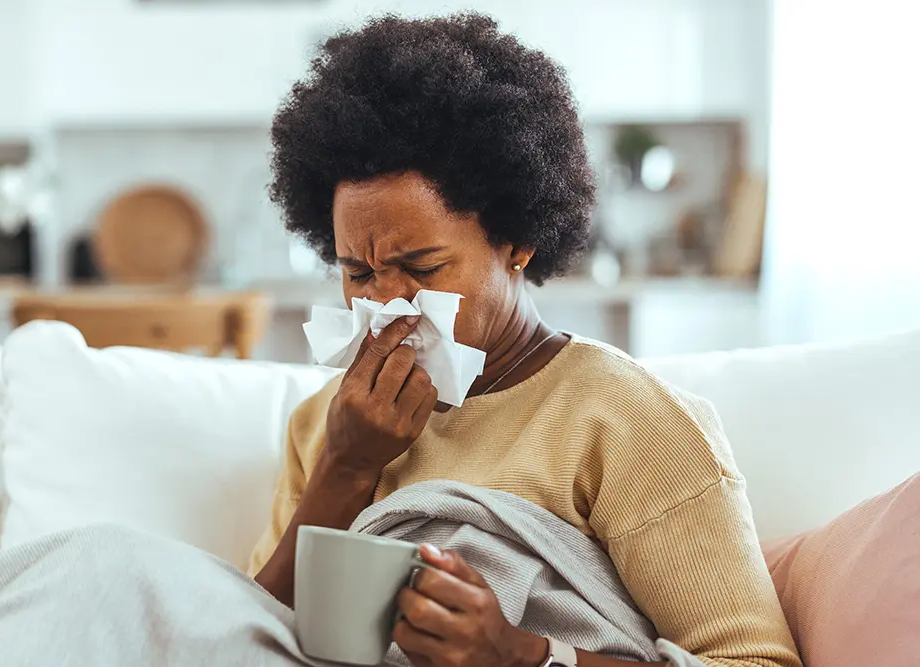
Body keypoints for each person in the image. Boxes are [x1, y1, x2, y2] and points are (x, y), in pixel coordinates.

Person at [249, 12, 801, 667]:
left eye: (423, 267)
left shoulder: (621, 417)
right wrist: (345, 465)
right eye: (357, 271)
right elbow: (240, 642)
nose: (385, 302)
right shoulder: (327, 424)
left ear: (517, 241)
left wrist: (526, 656)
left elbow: (757, 662)